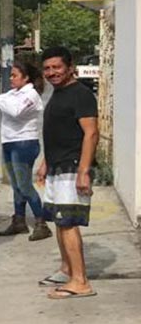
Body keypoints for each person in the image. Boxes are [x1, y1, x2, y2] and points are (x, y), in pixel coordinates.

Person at [35, 46, 99, 299]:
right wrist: (45, 161)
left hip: (72, 169)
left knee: (68, 223)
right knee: (60, 222)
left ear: (70, 67)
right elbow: (58, 132)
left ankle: (80, 281)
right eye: (47, 68)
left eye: (57, 67)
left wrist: (84, 171)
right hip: (57, 166)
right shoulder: (59, 93)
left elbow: (91, 133)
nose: (52, 72)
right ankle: (66, 269)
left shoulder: (80, 94)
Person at [0, 62, 52, 241]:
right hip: (9, 142)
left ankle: (41, 223)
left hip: (24, 144)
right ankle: (19, 221)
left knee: (24, 185)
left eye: (15, 75)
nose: (11, 78)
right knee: (16, 186)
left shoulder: (31, 94)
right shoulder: (12, 93)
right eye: (11, 75)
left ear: (26, 78)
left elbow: (14, 111)